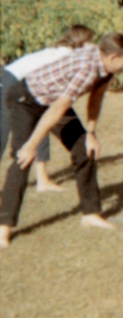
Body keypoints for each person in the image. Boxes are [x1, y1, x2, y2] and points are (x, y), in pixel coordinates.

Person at [0, 32, 123, 248]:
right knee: (23, 157)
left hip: (52, 101)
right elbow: (59, 107)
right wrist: (32, 144)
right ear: (113, 58)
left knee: (84, 148)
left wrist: (90, 134)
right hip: (25, 100)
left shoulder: (105, 66)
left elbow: (96, 98)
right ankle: (3, 227)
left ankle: (90, 214)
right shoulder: (88, 69)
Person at [1, 25, 95, 193]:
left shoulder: (65, 53)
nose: (93, 46)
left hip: (31, 88)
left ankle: (42, 180)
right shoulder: (65, 55)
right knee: (3, 132)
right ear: (82, 42)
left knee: (41, 124)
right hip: (12, 81)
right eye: (90, 42)